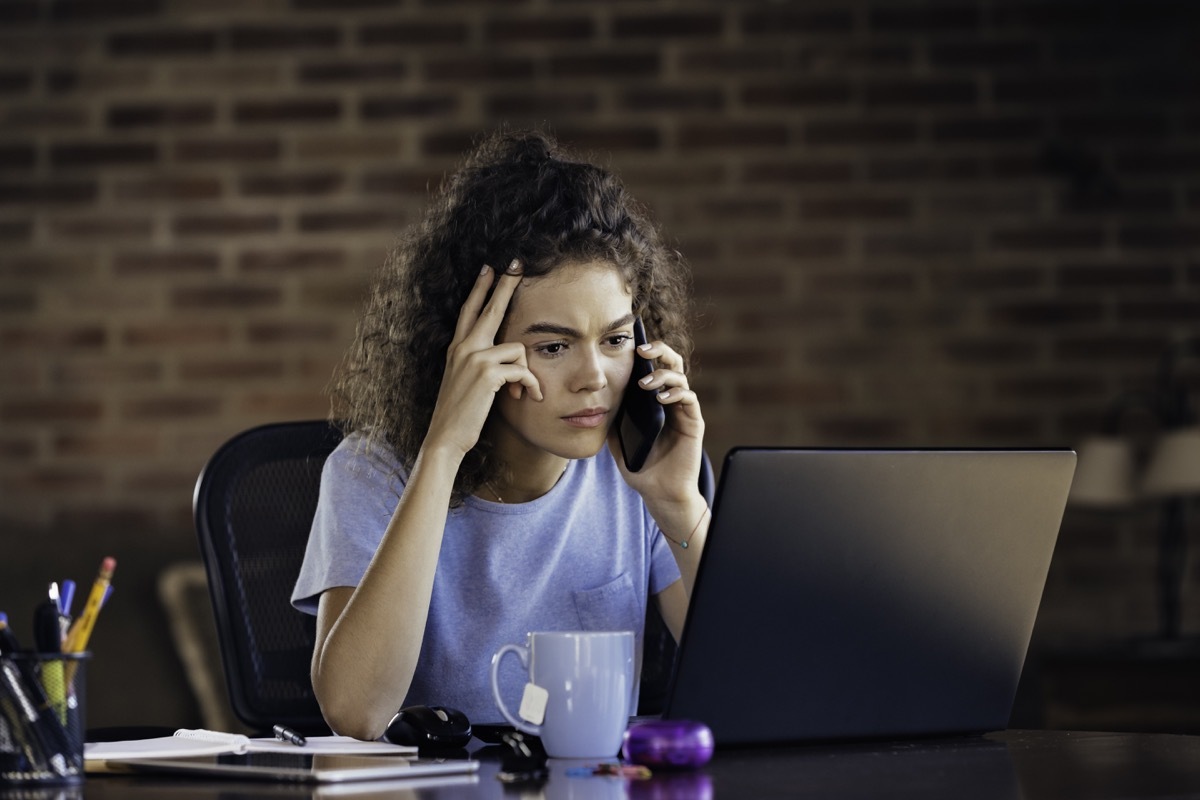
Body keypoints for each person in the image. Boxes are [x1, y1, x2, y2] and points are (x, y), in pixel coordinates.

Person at [291, 129, 709, 740]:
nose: (594, 378)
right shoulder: (370, 472)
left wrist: (678, 505)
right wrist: (442, 452)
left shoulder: (639, 473)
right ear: (473, 352)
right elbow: (355, 712)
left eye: (616, 340)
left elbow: (768, 681)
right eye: (553, 346)